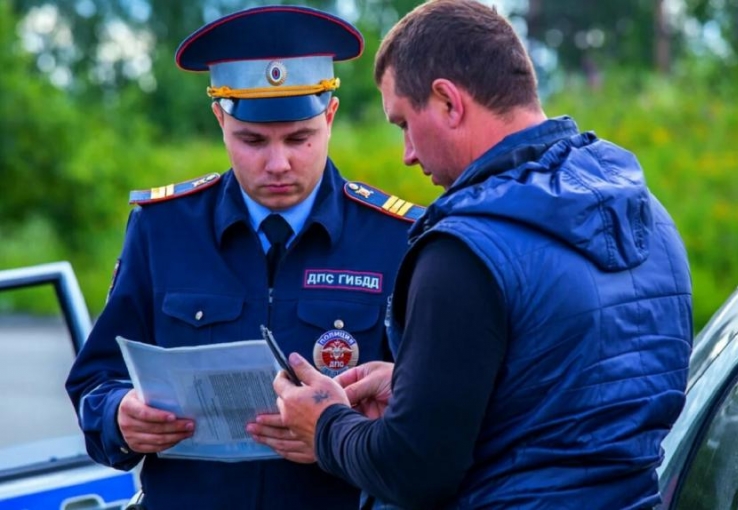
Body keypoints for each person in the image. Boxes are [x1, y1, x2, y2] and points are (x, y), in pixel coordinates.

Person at [273, 0, 694, 508]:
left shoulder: (464, 251)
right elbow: (563, 405)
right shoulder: (650, 218)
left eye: (404, 123)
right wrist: (416, 385)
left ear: (448, 102)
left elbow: (413, 469)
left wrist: (325, 423)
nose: (407, 154)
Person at [65, 5, 422, 510]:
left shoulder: (395, 237)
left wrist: (342, 437)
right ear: (220, 119)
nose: (278, 163)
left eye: (299, 138)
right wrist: (118, 415)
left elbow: (430, 410)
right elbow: (94, 380)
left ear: (330, 116)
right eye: (252, 140)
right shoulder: (163, 229)